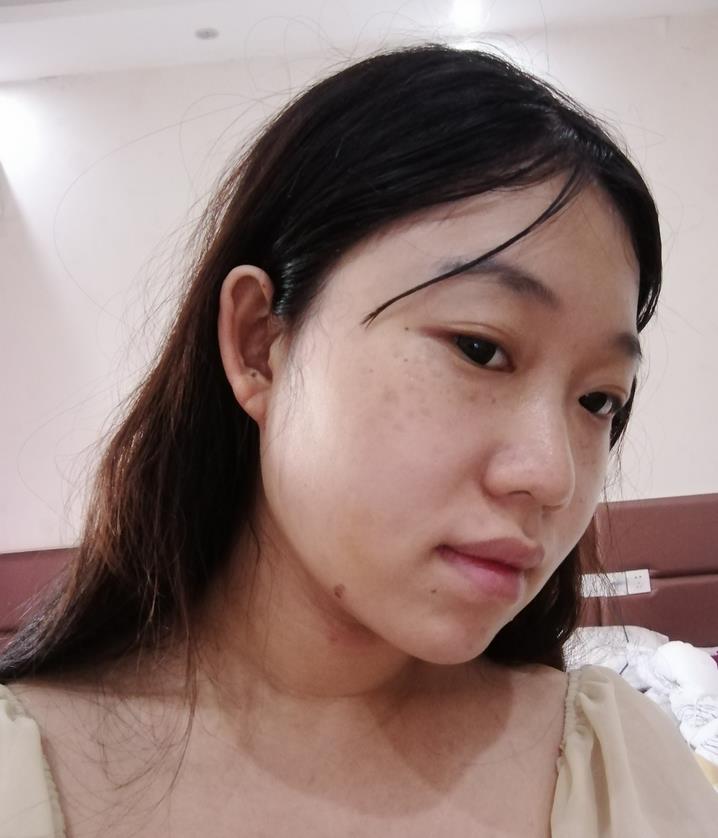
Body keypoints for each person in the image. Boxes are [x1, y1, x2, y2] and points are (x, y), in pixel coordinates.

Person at [0, 44, 716, 838]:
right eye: (480, 348)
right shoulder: (24, 773)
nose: (553, 476)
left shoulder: (617, 767)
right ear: (259, 344)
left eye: (599, 400)